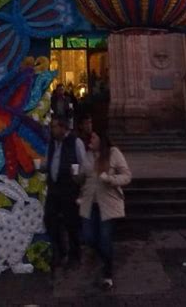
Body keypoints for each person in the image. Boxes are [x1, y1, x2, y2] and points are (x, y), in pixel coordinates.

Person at [78, 130, 131, 290]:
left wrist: (110, 179)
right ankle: (102, 258)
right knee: (88, 237)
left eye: (94, 137)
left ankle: (107, 273)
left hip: (107, 205)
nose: (90, 139)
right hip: (89, 203)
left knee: (105, 238)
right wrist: (76, 176)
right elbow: (82, 177)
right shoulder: (87, 155)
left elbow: (127, 176)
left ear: (101, 139)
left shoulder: (113, 153)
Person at [44, 117, 86, 271]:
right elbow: (50, 161)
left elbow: (83, 164)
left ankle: (75, 255)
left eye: (54, 126)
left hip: (69, 189)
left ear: (63, 128)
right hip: (54, 189)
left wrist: (79, 182)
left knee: (71, 223)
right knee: (50, 220)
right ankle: (61, 252)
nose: (52, 130)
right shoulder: (52, 144)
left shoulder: (75, 143)